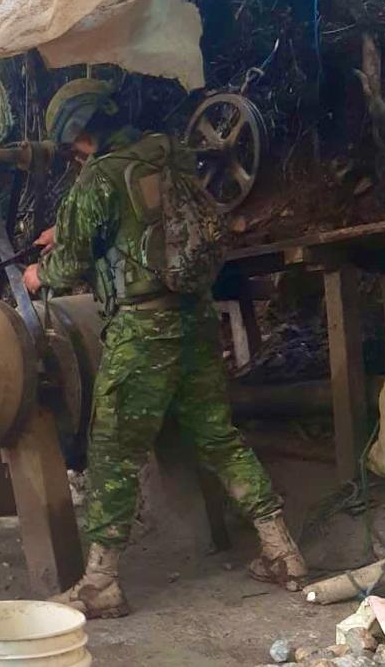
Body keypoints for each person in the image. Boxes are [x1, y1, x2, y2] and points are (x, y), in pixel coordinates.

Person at [23, 78, 307, 619]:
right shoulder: (166, 148)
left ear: (76, 133)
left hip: (142, 329)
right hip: (193, 318)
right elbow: (148, 222)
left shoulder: (97, 179)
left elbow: (73, 265)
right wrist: (67, 229)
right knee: (218, 436)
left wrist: (41, 273)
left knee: (112, 449)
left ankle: (102, 583)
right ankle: (282, 550)